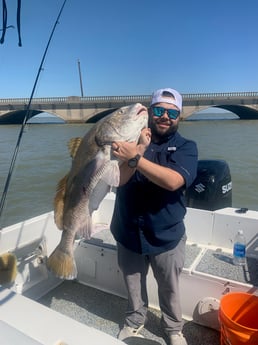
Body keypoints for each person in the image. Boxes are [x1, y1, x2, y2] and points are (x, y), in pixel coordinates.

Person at [111, 88, 198, 345]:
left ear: (179, 116)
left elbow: (173, 181)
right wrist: (137, 148)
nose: (165, 117)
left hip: (166, 234)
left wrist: (136, 158)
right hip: (128, 230)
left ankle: (173, 328)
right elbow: (119, 180)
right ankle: (135, 320)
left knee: (169, 287)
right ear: (149, 112)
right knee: (133, 285)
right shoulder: (131, 140)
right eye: (159, 111)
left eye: (172, 113)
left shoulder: (186, 147)